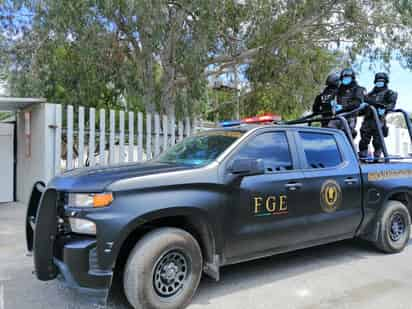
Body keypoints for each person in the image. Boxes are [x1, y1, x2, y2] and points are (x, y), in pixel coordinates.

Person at [358, 72, 397, 159]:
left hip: (379, 120)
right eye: (377, 80)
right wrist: (360, 108)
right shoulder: (369, 95)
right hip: (368, 120)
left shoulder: (389, 93)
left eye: (381, 81)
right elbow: (361, 110)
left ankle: (377, 157)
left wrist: (385, 109)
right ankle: (363, 156)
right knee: (364, 140)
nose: (379, 82)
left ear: (385, 81)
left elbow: (391, 104)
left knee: (377, 141)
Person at [328, 68, 366, 138]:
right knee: (330, 134)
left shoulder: (358, 89)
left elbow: (356, 104)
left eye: (348, 77)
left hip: (349, 117)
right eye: (344, 77)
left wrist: (342, 107)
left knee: (345, 136)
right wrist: (332, 102)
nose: (345, 79)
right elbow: (330, 99)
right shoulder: (339, 89)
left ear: (352, 78)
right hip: (337, 117)